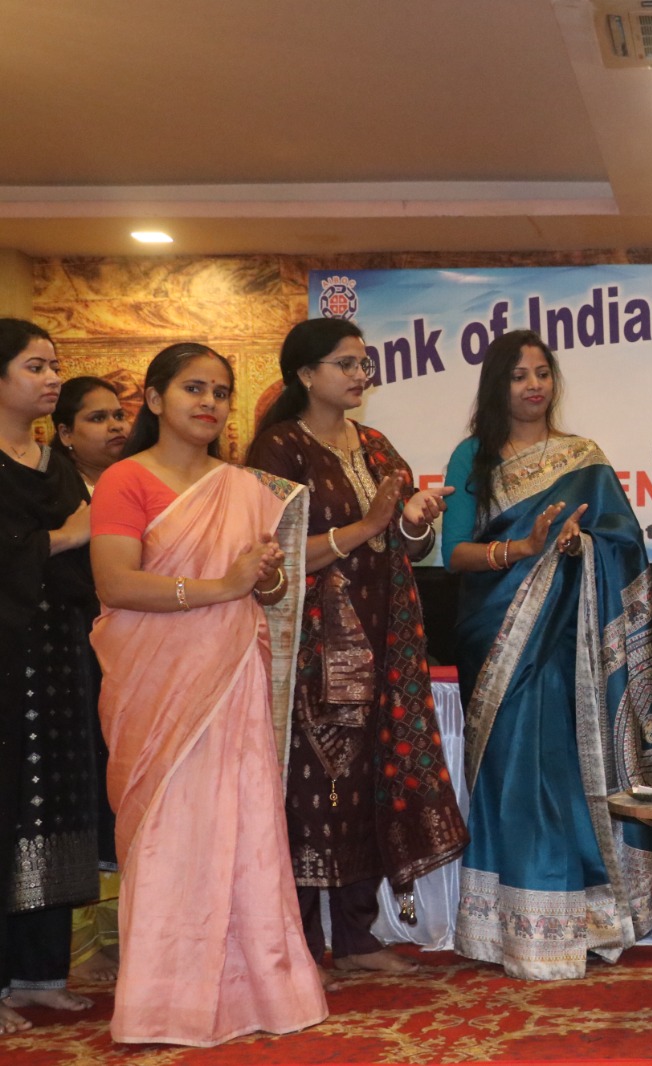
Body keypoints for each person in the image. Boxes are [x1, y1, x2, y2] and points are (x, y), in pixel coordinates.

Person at [90, 342, 327, 1045]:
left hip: (231, 679)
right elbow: (115, 583)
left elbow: (269, 590)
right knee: (169, 832)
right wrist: (223, 585)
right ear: (154, 398)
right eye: (193, 388)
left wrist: (266, 575)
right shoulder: (126, 479)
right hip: (156, 686)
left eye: (221, 392)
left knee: (243, 826)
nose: (210, 403)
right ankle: (164, 1001)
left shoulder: (245, 489)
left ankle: (258, 992)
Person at [245, 318, 466, 975]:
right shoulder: (279, 450)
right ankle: (297, 939)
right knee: (309, 784)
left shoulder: (375, 446)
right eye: (345, 363)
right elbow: (274, 554)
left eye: (364, 363)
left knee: (370, 777)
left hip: (382, 640)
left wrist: (412, 522)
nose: (359, 374)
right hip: (308, 648)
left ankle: (358, 936)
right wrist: (367, 526)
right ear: (305, 374)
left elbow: (404, 544)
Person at [443, 330, 652, 980]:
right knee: (513, 776)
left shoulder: (583, 458)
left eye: (542, 373)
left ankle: (585, 922)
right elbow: (454, 553)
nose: (534, 385)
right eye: (519, 375)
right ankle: (507, 930)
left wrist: (578, 546)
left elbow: (622, 543)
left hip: (571, 644)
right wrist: (521, 549)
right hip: (497, 641)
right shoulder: (472, 458)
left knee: (567, 774)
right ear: (497, 385)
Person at [0, 322, 99, 1035]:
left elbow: (87, 561)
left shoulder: (53, 463)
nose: (53, 377)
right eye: (36, 366)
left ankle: (40, 974)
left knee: (55, 805)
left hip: (60, 659)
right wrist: (65, 537)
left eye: (55, 365)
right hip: (6, 662)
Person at [51, 376, 131, 985]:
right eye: (97, 419)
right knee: (80, 788)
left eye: (118, 415)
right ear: (64, 434)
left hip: (136, 655)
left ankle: (124, 932)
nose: (115, 427)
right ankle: (79, 946)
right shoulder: (54, 491)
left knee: (122, 790)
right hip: (70, 655)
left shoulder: (140, 481)